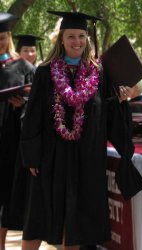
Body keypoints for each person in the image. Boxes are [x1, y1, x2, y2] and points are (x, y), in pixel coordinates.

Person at [18, 11, 142, 250]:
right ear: (61, 39)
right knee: (38, 217)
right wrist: (31, 156)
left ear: (87, 38)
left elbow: (108, 115)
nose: (76, 41)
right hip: (51, 158)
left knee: (77, 223)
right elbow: (32, 116)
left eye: (81, 36)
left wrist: (122, 101)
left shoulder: (99, 73)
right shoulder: (45, 73)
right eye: (71, 36)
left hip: (87, 159)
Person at [0, 12, 35, 250]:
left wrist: (24, 104)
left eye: (2, 37)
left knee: (4, 196)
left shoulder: (22, 66)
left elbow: (36, 104)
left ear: (9, 37)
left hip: (10, 140)